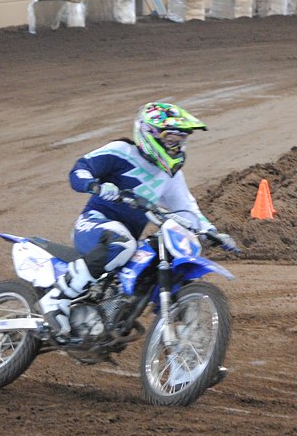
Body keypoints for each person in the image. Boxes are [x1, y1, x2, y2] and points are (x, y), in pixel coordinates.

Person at [37, 102, 238, 342]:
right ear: (149, 133)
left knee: (153, 252)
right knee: (122, 243)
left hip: (127, 238)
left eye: (181, 140)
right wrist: (96, 186)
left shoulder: (170, 174)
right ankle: (57, 298)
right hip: (94, 224)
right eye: (172, 139)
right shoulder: (121, 151)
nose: (177, 146)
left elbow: (186, 209)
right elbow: (80, 170)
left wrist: (210, 231)